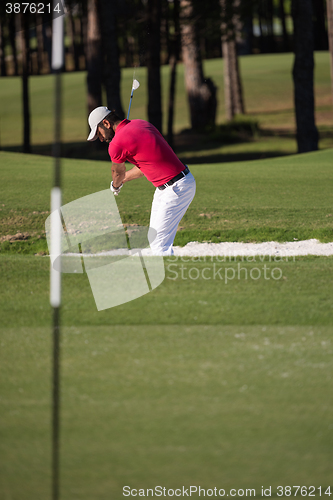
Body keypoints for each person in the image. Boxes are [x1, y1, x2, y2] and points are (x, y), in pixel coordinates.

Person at [87, 106, 196, 256]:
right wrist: (121, 181)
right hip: (171, 186)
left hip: (176, 187)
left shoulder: (116, 145)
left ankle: (170, 278)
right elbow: (143, 168)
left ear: (106, 123)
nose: (101, 139)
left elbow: (117, 172)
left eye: (98, 133)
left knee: (159, 244)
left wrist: (115, 185)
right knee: (155, 239)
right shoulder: (142, 123)